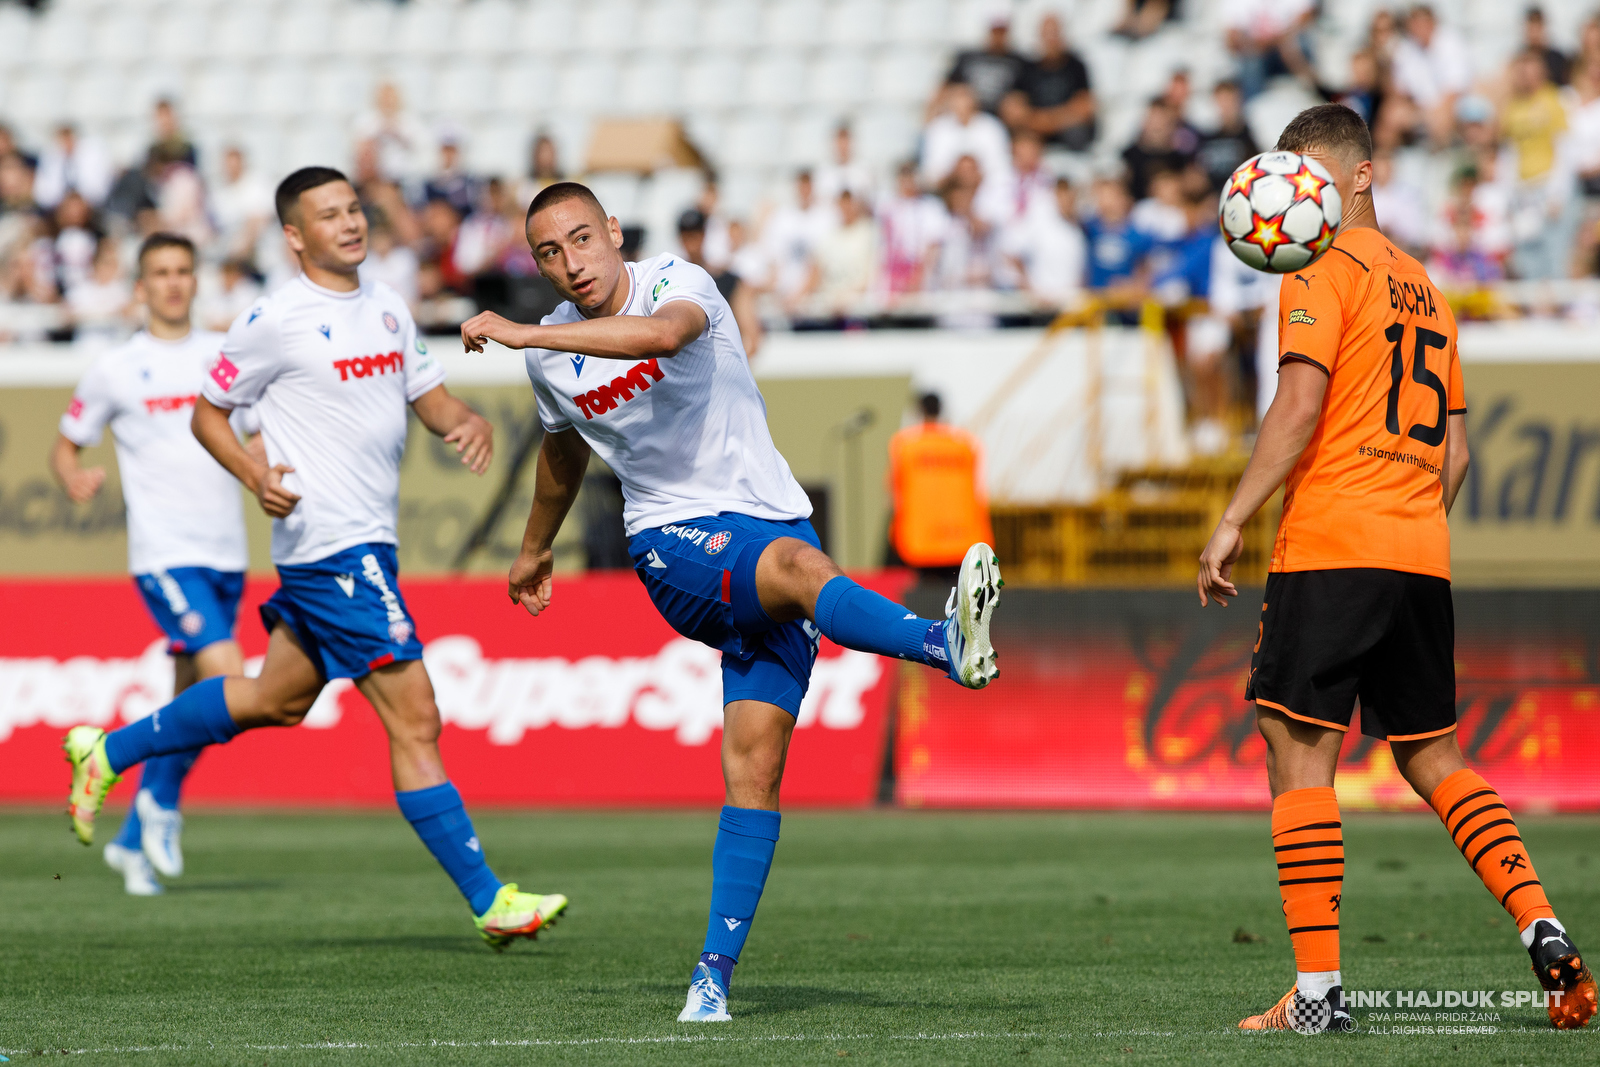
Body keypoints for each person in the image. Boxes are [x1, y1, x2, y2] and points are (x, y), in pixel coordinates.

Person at [457, 182, 1003, 1023]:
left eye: (580, 240)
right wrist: (534, 547)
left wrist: (527, 327)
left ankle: (710, 979)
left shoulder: (680, 284)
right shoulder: (551, 352)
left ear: (613, 231)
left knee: (755, 771)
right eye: (549, 254)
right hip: (673, 543)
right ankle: (941, 643)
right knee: (797, 566)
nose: (570, 263)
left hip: (762, 517)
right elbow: (563, 453)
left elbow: (662, 335)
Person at [60, 167, 569, 949]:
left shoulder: (390, 308)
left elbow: (426, 399)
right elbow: (208, 415)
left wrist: (461, 419)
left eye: (355, 208)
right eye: (328, 215)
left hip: (362, 545)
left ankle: (108, 750)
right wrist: (255, 474)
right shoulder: (274, 320)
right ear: (294, 236)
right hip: (331, 545)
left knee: (273, 698)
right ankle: (488, 899)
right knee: (417, 716)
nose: (350, 223)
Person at [1197, 103, 1598, 1033]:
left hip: (1332, 543)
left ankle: (1319, 993)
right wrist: (1406, 521)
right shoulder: (1428, 287)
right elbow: (1457, 456)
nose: (1295, 199)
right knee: (1435, 756)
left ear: (1360, 177)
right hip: (1419, 552)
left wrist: (1230, 519)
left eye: (1310, 180)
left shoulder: (1319, 269)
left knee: (1297, 752)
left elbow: (1298, 406)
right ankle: (1541, 920)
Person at [51, 233, 251, 895]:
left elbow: (252, 429)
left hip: (227, 552)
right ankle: (158, 805)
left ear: (196, 282)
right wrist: (74, 474)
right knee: (228, 674)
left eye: (182, 271)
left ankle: (133, 841)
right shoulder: (116, 367)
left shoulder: (222, 356)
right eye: (159, 272)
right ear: (140, 287)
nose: (171, 282)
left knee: (190, 705)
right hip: (165, 553)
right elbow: (66, 443)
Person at [887, 393, 994, 575]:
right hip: (963, 538)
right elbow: (978, 490)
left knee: (921, 597)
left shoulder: (904, 446)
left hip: (918, 540)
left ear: (919, 411)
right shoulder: (965, 445)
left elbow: (895, 492)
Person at [1005, 13, 1095, 152]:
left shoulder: (1076, 66)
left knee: (1078, 133)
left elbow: (1085, 108)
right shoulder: (1027, 68)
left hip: (1066, 132)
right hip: (1037, 131)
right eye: (1047, 34)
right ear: (1039, 36)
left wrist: (1045, 121)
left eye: (1054, 33)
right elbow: (1013, 110)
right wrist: (1053, 119)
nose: (1051, 39)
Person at [677, 207, 761, 357]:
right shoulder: (672, 280)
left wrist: (731, 370)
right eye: (686, 236)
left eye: (695, 235)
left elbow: (751, 338)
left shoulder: (731, 281)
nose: (691, 242)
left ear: (704, 235)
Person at [937, 9, 1027, 117]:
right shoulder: (968, 58)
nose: (998, 37)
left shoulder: (1018, 63)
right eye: (995, 31)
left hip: (1002, 120)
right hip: (970, 117)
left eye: (1001, 32)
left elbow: (1023, 96)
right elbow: (946, 86)